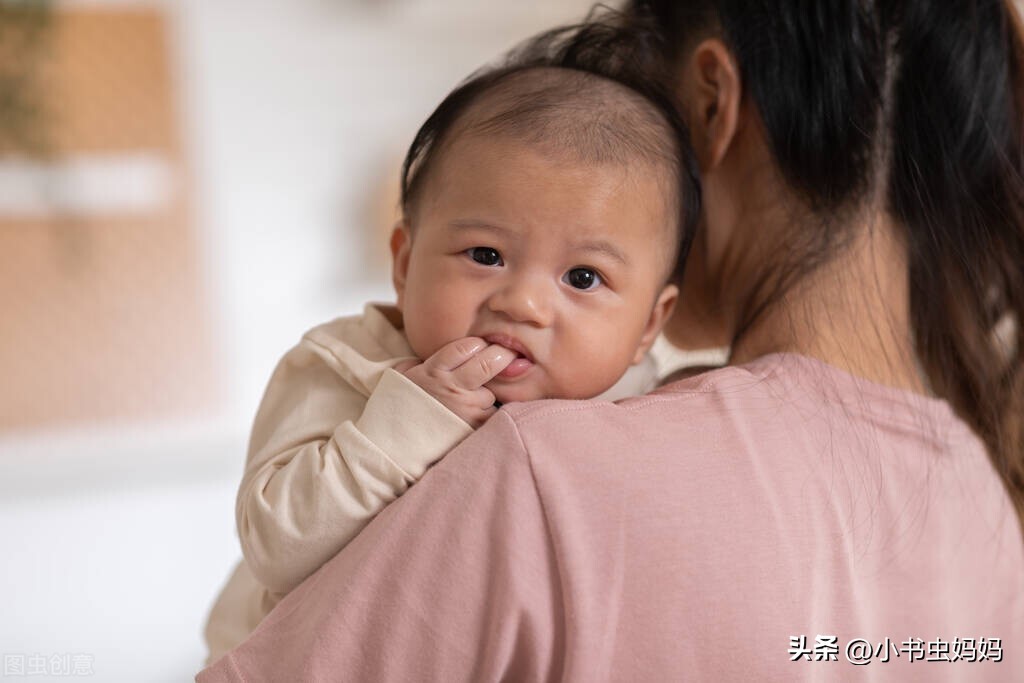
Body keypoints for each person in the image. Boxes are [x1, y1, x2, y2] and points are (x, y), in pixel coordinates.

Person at [198, 2, 1024, 681]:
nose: (525, 299)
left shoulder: (542, 470)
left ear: (710, 106)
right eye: (487, 254)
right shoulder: (987, 504)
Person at [202, 28, 700, 663]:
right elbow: (275, 545)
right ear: (405, 264)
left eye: (583, 278)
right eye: (485, 255)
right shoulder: (345, 365)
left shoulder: (646, 403)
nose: (521, 303)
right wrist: (401, 426)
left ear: (649, 327)